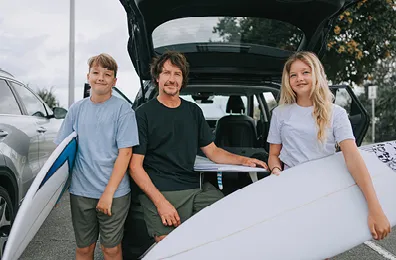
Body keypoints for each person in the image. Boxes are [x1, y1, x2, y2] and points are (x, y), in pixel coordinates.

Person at [129, 50, 268, 243]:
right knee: (169, 247)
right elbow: (135, 167)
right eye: (167, 73)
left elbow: (213, 152)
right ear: (157, 77)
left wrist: (245, 160)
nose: (172, 79)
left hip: (195, 187)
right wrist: (161, 203)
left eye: (177, 74)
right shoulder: (143, 114)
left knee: (229, 221)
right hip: (160, 190)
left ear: (183, 79)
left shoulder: (193, 111)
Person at [267, 51, 391, 240]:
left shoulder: (337, 114)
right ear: (288, 80)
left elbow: (353, 159)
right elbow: (273, 154)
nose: (299, 78)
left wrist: (375, 208)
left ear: (316, 74)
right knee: (296, 246)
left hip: (325, 189)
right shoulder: (280, 113)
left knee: (321, 246)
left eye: (305, 72)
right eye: (293, 75)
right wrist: (276, 170)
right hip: (291, 189)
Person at [54, 53, 139, 260]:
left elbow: (125, 153)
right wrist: (53, 193)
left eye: (107, 74)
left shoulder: (123, 110)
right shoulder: (76, 109)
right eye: (96, 72)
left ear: (114, 81)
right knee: (84, 249)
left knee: (110, 249)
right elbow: (62, 151)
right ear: (88, 76)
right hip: (82, 191)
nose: (101, 77)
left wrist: (108, 193)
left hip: (115, 193)